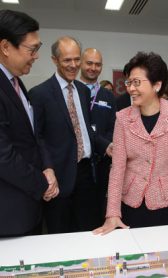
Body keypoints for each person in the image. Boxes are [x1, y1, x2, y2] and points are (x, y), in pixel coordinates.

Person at [93, 52, 168, 235]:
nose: (130, 89)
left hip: (166, 203)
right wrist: (112, 213)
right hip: (131, 203)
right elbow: (118, 168)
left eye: (137, 82)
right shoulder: (122, 118)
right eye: (129, 82)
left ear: (157, 85)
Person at [29, 37, 105, 233]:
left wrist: (106, 146)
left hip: (88, 176)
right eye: (67, 60)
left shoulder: (82, 91)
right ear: (55, 60)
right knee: (60, 236)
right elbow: (38, 138)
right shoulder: (40, 94)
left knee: (90, 233)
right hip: (59, 179)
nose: (73, 65)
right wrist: (47, 168)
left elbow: (86, 130)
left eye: (77, 59)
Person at [0, 10, 59, 237]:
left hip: (28, 207)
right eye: (31, 49)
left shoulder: (16, 83)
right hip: (9, 214)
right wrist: (42, 184)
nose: (36, 56)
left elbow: (33, 136)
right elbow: (4, 157)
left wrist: (47, 168)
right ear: (6, 47)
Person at [80, 48, 116, 224]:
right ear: (80, 63)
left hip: (102, 163)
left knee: (100, 213)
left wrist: (105, 145)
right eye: (89, 63)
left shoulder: (108, 96)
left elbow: (112, 127)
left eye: (97, 64)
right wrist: (102, 143)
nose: (93, 68)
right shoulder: (73, 92)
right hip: (78, 165)